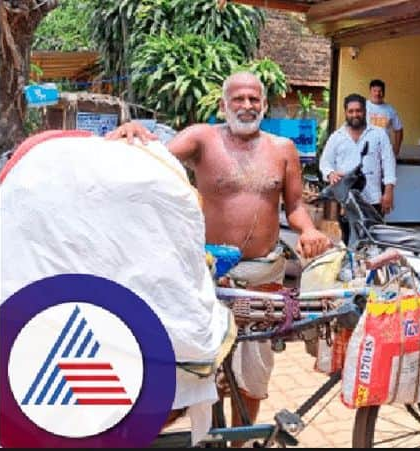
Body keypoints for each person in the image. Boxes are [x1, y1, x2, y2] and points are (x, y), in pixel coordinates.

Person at [105, 71, 331, 442]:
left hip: (264, 278)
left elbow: (294, 207)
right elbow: (154, 161)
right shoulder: (202, 139)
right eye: (238, 99)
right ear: (223, 105)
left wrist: (308, 229)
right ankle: (202, 435)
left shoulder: (283, 149)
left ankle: (240, 441)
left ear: (264, 104)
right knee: (196, 366)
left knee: (253, 372)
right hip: (209, 277)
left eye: (253, 99)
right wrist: (133, 133)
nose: (246, 106)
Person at [320, 93, 397, 243]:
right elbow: (325, 162)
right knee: (349, 239)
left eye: (358, 110)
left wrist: (388, 192)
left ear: (365, 111)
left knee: (374, 240)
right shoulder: (337, 137)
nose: (355, 114)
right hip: (346, 202)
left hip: (373, 200)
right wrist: (330, 174)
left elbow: (389, 163)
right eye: (351, 111)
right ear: (346, 113)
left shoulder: (379, 134)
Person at [366, 79, 403, 157]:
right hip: (366, 151)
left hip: (384, 152)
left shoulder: (390, 110)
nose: (377, 93)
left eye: (380, 91)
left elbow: (399, 129)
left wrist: (396, 150)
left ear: (384, 93)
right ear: (370, 92)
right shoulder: (362, 107)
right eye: (374, 90)